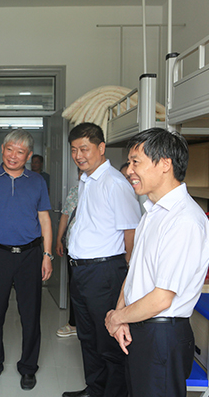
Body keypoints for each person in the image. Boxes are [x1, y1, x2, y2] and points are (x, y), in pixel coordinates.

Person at [105, 128, 209, 397]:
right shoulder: (152, 213)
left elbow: (161, 298)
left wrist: (116, 317)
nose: (129, 170)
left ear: (165, 164)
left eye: (136, 162)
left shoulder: (184, 221)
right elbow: (135, 272)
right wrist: (121, 316)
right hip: (140, 328)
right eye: (129, 163)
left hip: (162, 337)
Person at [63, 122, 141, 397]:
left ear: (101, 148)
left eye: (84, 149)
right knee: (87, 335)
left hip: (105, 272)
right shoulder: (87, 181)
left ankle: (113, 393)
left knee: (109, 338)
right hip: (82, 271)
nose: (78, 155)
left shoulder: (115, 183)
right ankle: (95, 389)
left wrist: (126, 274)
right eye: (74, 150)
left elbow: (131, 233)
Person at [0, 129, 53, 391]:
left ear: (28, 156)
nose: (13, 156)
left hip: (31, 255)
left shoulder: (37, 181)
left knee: (30, 314)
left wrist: (47, 255)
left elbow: (44, 220)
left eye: (20, 152)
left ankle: (28, 367)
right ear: (2, 149)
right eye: (9, 149)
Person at [54, 167, 83, 339]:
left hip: (96, 251)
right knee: (74, 285)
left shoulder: (105, 188)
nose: (83, 175)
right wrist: (59, 239)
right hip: (73, 247)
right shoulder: (74, 191)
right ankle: (73, 324)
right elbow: (65, 216)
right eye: (80, 172)